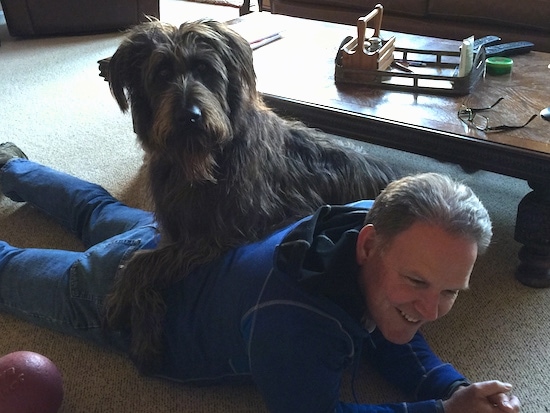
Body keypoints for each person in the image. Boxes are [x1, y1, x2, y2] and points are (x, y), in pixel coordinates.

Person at [0, 142, 520, 413]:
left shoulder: (371, 215)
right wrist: (440, 410)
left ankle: (9, 165)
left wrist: (455, 386)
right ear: (369, 245)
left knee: (95, 209)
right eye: (417, 281)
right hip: (126, 298)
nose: (430, 311)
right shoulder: (298, 328)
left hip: (179, 244)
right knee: (8, 270)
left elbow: (393, 323)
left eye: (451, 291)